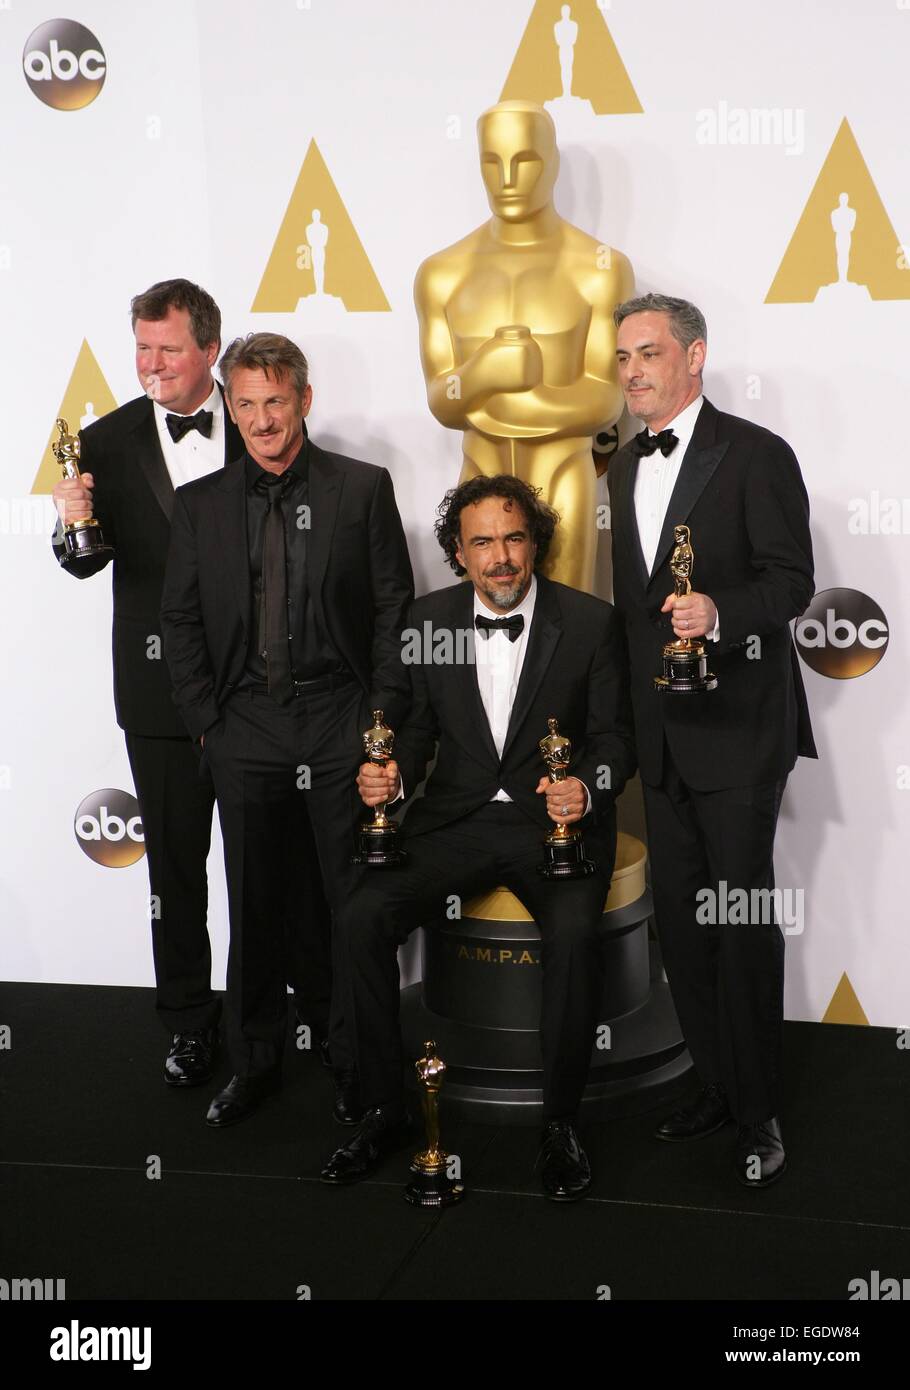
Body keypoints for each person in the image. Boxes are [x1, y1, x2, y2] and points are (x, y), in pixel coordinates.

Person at [320, 476, 636, 1200]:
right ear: (457, 553)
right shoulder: (426, 621)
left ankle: (560, 1124)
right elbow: (419, 730)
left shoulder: (590, 622)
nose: (501, 558)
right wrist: (390, 778)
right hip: (456, 822)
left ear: (536, 545)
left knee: (574, 936)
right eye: (483, 542)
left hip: (552, 826)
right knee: (362, 913)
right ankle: (383, 1108)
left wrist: (584, 787)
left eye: (515, 538)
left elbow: (620, 737)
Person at [160, 332, 414, 1128]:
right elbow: (179, 618)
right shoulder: (200, 506)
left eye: (276, 400)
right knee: (255, 900)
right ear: (228, 409)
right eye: (246, 403)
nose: (263, 418)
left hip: (338, 717)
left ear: (304, 400)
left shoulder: (362, 488)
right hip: (246, 726)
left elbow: (392, 613)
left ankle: (354, 1062)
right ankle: (256, 1061)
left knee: (350, 903)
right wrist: (209, 725)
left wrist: (379, 726)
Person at [608, 292, 816, 1187]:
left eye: (648, 353)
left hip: (737, 732)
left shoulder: (757, 455)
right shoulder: (620, 468)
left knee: (741, 924)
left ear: (695, 357)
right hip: (661, 738)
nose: (632, 372)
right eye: (622, 358)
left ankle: (761, 1111)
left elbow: (794, 582)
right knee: (686, 932)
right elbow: (628, 617)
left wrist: (721, 613)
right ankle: (714, 1081)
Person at [51, 278, 246, 1090]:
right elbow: (84, 563)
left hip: (253, 689)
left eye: (168, 348)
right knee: (173, 870)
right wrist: (69, 525)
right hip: (158, 693)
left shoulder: (262, 420)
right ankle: (189, 1023)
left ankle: (283, 1014)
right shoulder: (103, 441)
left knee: (269, 864)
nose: (151, 363)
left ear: (210, 348)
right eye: (142, 346)